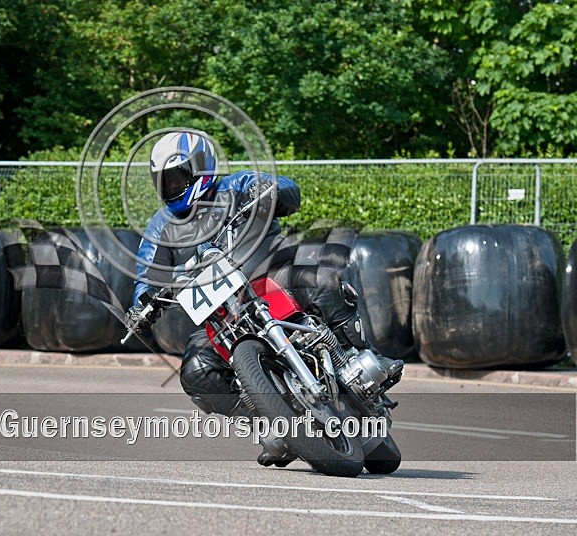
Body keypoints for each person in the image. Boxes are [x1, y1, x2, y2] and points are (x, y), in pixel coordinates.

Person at [126, 130, 403, 466]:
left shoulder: (236, 185)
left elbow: (287, 188)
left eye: (175, 178)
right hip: (222, 311)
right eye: (163, 181)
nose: (169, 187)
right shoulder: (161, 225)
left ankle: (361, 356)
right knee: (196, 369)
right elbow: (147, 272)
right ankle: (270, 423)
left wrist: (269, 190)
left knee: (317, 278)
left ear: (200, 168)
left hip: (271, 275)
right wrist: (143, 303)